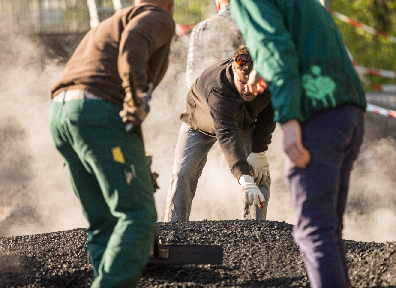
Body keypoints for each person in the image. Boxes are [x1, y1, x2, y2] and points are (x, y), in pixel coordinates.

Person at [230, 1, 367, 287]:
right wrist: (261, 68)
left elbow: (276, 50)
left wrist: (290, 121)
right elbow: (301, 40)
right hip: (348, 110)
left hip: (317, 116)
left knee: (313, 231)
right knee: (328, 231)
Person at [48, 1, 175, 287]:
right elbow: (133, 46)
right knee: (138, 215)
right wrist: (135, 96)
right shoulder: (157, 15)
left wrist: (135, 152)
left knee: (103, 219)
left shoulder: (112, 23)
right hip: (96, 114)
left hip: (61, 115)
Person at [164, 45, 276, 222]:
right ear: (234, 69)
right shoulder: (218, 88)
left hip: (244, 122)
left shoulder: (268, 80)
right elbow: (227, 134)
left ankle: (255, 230)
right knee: (183, 173)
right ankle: (174, 228)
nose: (247, 89)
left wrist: (258, 151)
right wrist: (243, 178)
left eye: (252, 84)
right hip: (200, 121)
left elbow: (268, 116)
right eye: (242, 83)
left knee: (260, 172)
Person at [185, 0, 244, 88]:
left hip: (214, 95)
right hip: (250, 94)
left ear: (218, 3)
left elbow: (192, 75)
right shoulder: (255, 25)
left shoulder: (202, 28)